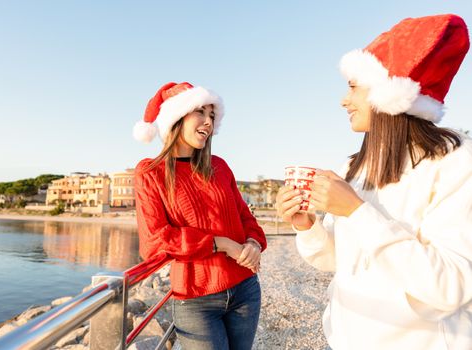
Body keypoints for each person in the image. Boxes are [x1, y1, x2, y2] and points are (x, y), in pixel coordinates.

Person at [276, 14, 472, 350]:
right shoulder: (355, 165)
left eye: (353, 86)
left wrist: (356, 210)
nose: (343, 100)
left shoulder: (455, 161)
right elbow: (336, 262)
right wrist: (307, 226)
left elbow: (452, 286)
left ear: (388, 93)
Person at [133, 82, 267, 350]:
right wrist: (221, 243)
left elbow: (245, 217)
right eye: (200, 112)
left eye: (212, 115)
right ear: (176, 118)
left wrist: (253, 243)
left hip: (245, 289)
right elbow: (154, 242)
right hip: (195, 301)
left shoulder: (219, 166)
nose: (208, 121)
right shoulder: (150, 173)